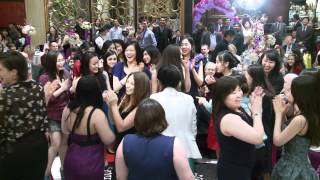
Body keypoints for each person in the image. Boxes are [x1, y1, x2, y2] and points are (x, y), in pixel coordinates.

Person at [115, 98, 194, 180]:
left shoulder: (125, 141)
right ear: (162, 118)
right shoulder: (174, 144)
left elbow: (120, 177)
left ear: (137, 119)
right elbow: (188, 178)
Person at [0, 51, 48, 180]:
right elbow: (43, 119)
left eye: (1, 70)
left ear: (14, 72)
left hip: (15, 152)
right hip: (39, 147)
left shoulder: (5, 95)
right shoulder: (38, 88)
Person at [61, 75, 115, 180]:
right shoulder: (96, 114)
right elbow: (109, 140)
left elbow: (64, 136)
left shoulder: (68, 109)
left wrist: (63, 165)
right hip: (91, 162)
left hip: (71, 159)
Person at [150, 65, 202, 171]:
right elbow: (193, 126)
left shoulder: (154, 98)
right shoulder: (188, 99)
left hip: (160, 149)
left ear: (159, 81)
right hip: (186, 148)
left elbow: (150, 126)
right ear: (179, 82)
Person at [213, 76, 265, 180]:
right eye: (233, 93)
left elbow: (253, 127)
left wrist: (254, 106)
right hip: (234, 171)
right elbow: (258, 138)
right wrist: (256, 112)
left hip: (244, 166)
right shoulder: (229, 118)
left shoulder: (237, 108)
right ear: (222, 96)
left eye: (239, 90)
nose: (239, 95)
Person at [271, 75, 320, 179]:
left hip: (293, 170)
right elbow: (288, 131)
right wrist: (283, 114)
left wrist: (278, 114)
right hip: (295, 163)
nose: (286, 92)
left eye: (290, 90)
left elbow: (278, 141)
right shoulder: (307, 113)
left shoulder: (300, 119)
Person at [39, 51, 71, 179]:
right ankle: (46, 172)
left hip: (65, 114)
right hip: (52, 115)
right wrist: (62, 89)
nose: (61, 62)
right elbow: (46, 100)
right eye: (58, 60)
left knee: (64, 144)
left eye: (62, 60)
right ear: (51, 62)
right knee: (55, 143)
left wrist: (71, 89)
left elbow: (69, 94)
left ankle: (63, 171)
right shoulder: (44, 78)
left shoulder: (66, 73)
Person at [244, 64, 275, 179]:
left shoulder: (263, 95)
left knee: (260, 171)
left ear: (253, 77)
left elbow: (264, 119)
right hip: (258, 133)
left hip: (263, 136)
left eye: (246, 74)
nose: (244, 77)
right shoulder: (254, 91)